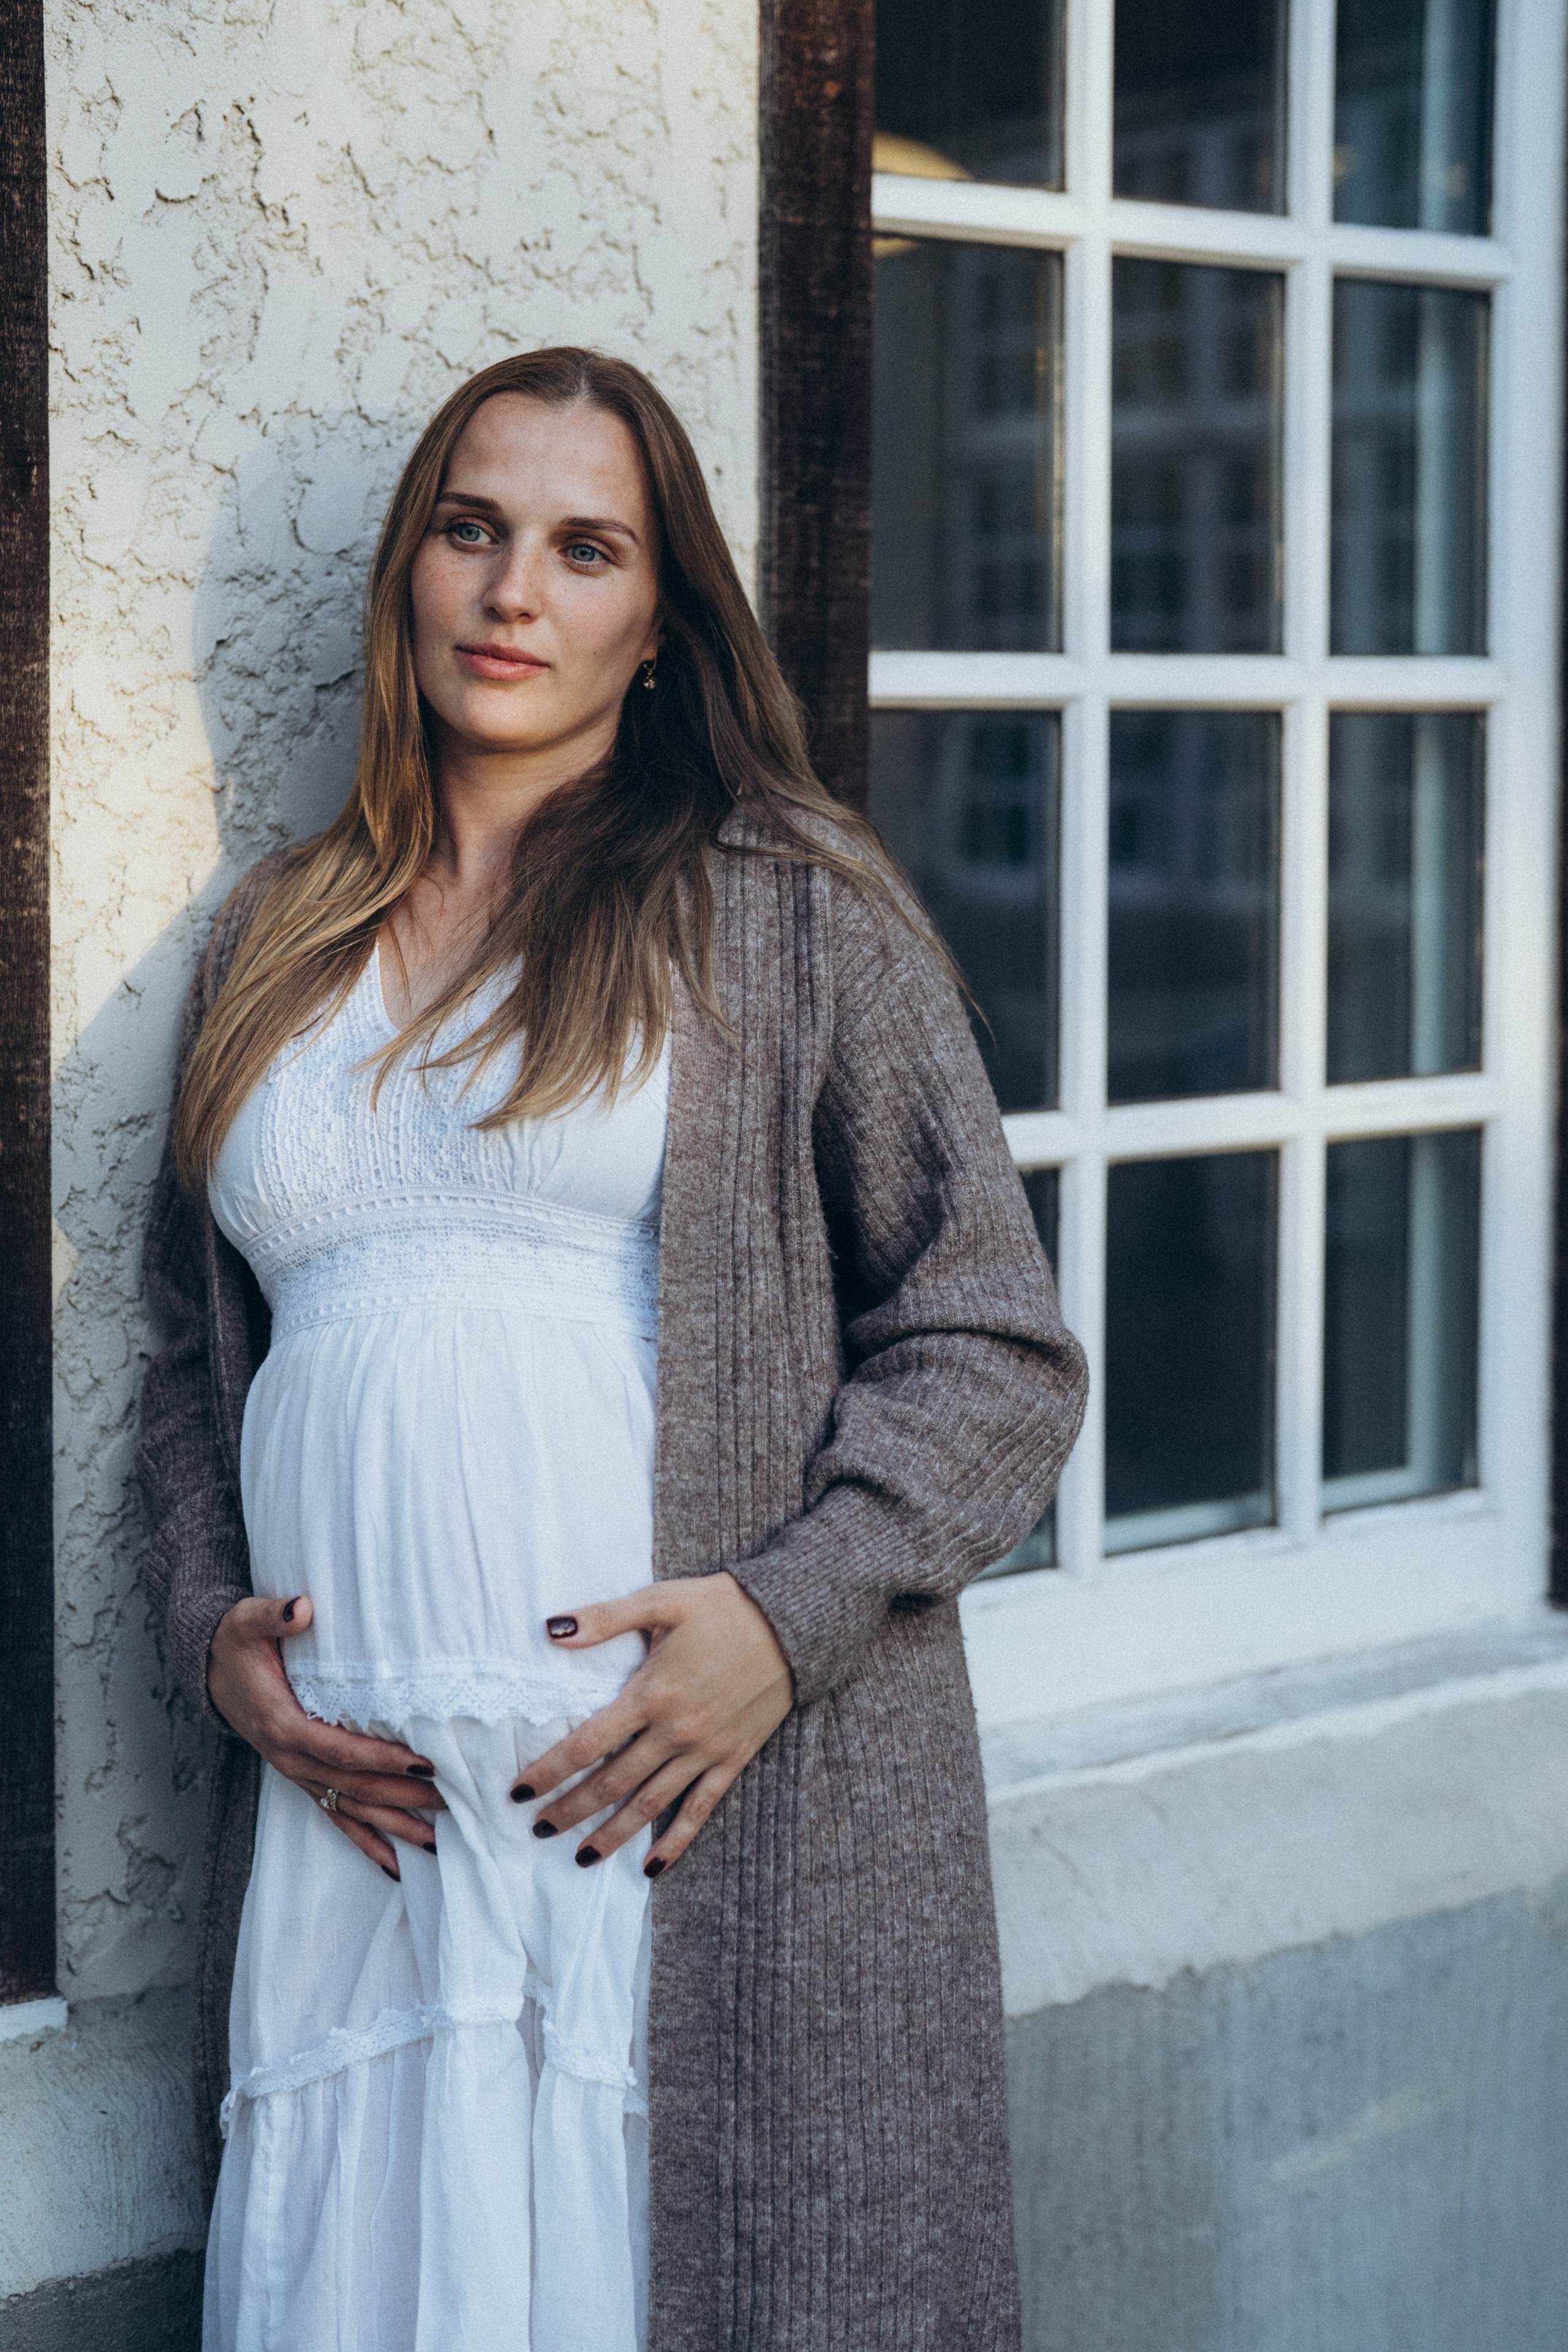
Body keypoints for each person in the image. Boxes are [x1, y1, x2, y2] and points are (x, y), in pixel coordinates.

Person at [138, 345, 1087, 2352]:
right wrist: (208, 1622)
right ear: (410, 567)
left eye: (586, 550)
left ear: (660, 625)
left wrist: (788, 1614)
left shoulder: (787, 913)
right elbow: (186, 1364)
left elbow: (996, 1339)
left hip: (667, 1817)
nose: (513, 595)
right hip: (363, 1840)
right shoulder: (270, 938)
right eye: (474, 532)